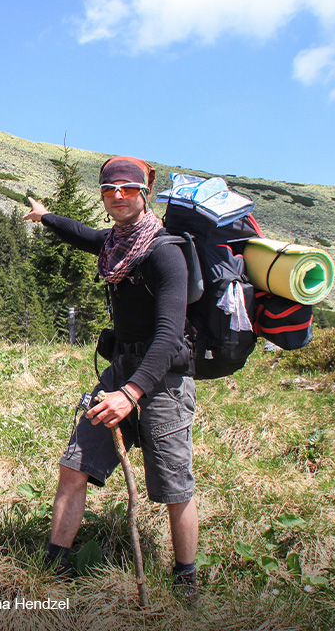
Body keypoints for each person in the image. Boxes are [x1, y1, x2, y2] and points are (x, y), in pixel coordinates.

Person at [23, 156, 200, 606]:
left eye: (126, 188)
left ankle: (186, 581)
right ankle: (53, 566)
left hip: (163, 378)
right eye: (108, 189)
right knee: (74, 465)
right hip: (121, 369)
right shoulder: (115, 244)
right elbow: (83, 235)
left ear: (144, 193)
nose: (117, 195)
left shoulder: (164, 252)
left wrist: (130, 393)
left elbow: (168, 336)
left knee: (174, 487)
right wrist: (46, 217)